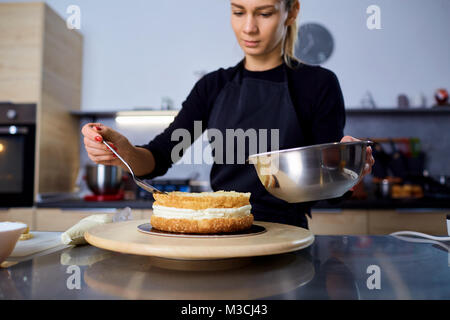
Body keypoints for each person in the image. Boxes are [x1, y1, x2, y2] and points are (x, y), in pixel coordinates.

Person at [82, 0, 375, 229]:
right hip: (222, 230)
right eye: (238, 12)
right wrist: (122, 151)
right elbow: (159, 157)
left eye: (264, 13)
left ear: (291, 11)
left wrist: (348, 171)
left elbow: (330, 190)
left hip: (288, 234)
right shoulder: (212, 87)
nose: (248, 27)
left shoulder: (318, 85)